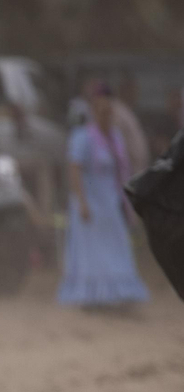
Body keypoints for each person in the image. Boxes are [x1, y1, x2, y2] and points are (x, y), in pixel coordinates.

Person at [60, 83, 149, 311]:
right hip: (90, 203)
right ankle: (94, 297)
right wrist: (81, 202)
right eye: (101, 111)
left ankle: (119, 294)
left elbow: (122, 169)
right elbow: (74, 170)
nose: (106, 115)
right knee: (93, 252)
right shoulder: (82, 137)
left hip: (111, 201)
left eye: (109, 111)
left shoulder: (115, 137)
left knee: (117, 247)